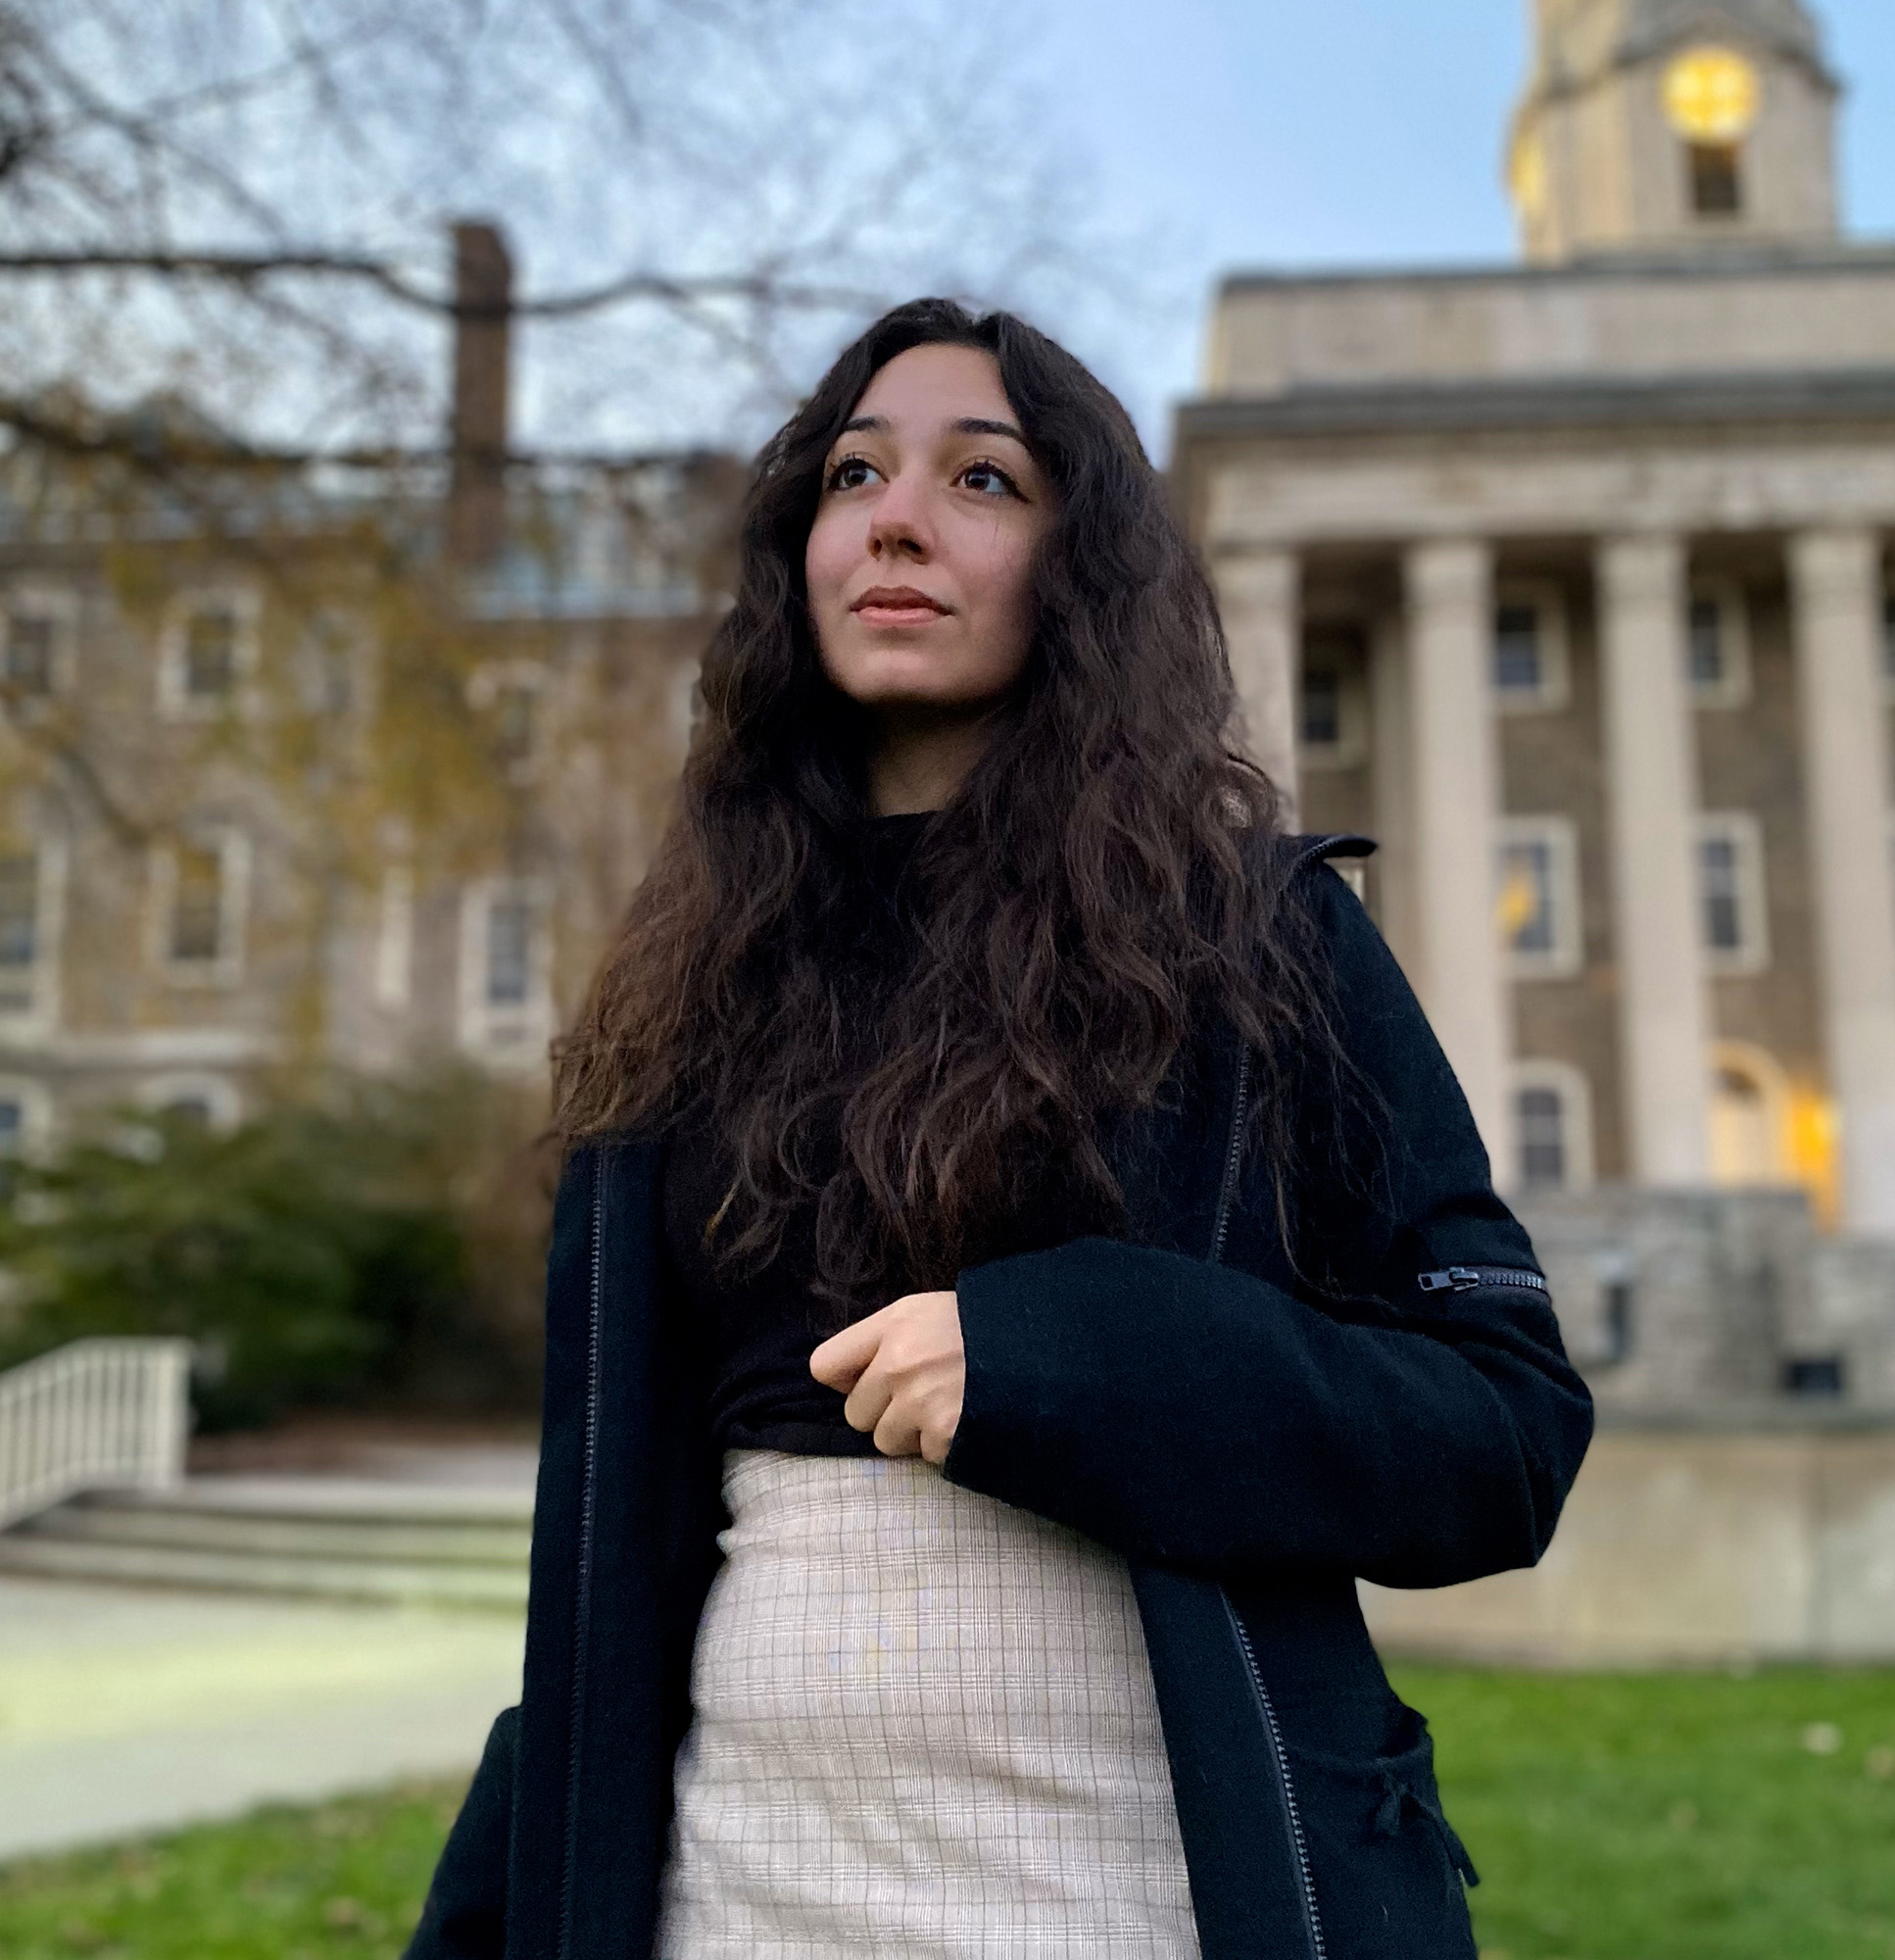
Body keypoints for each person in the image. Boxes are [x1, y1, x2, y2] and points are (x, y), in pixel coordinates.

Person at [406, 299, 1593, 1960]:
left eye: (983, 478)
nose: (896, 516)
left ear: (1081, 563)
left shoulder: (1257, 937)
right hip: (735, 1902)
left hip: (1146, 1898)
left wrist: (1085, 1354)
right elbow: (611, 1570)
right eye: (852, 474)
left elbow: (1506, 1431)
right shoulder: (680, 984)